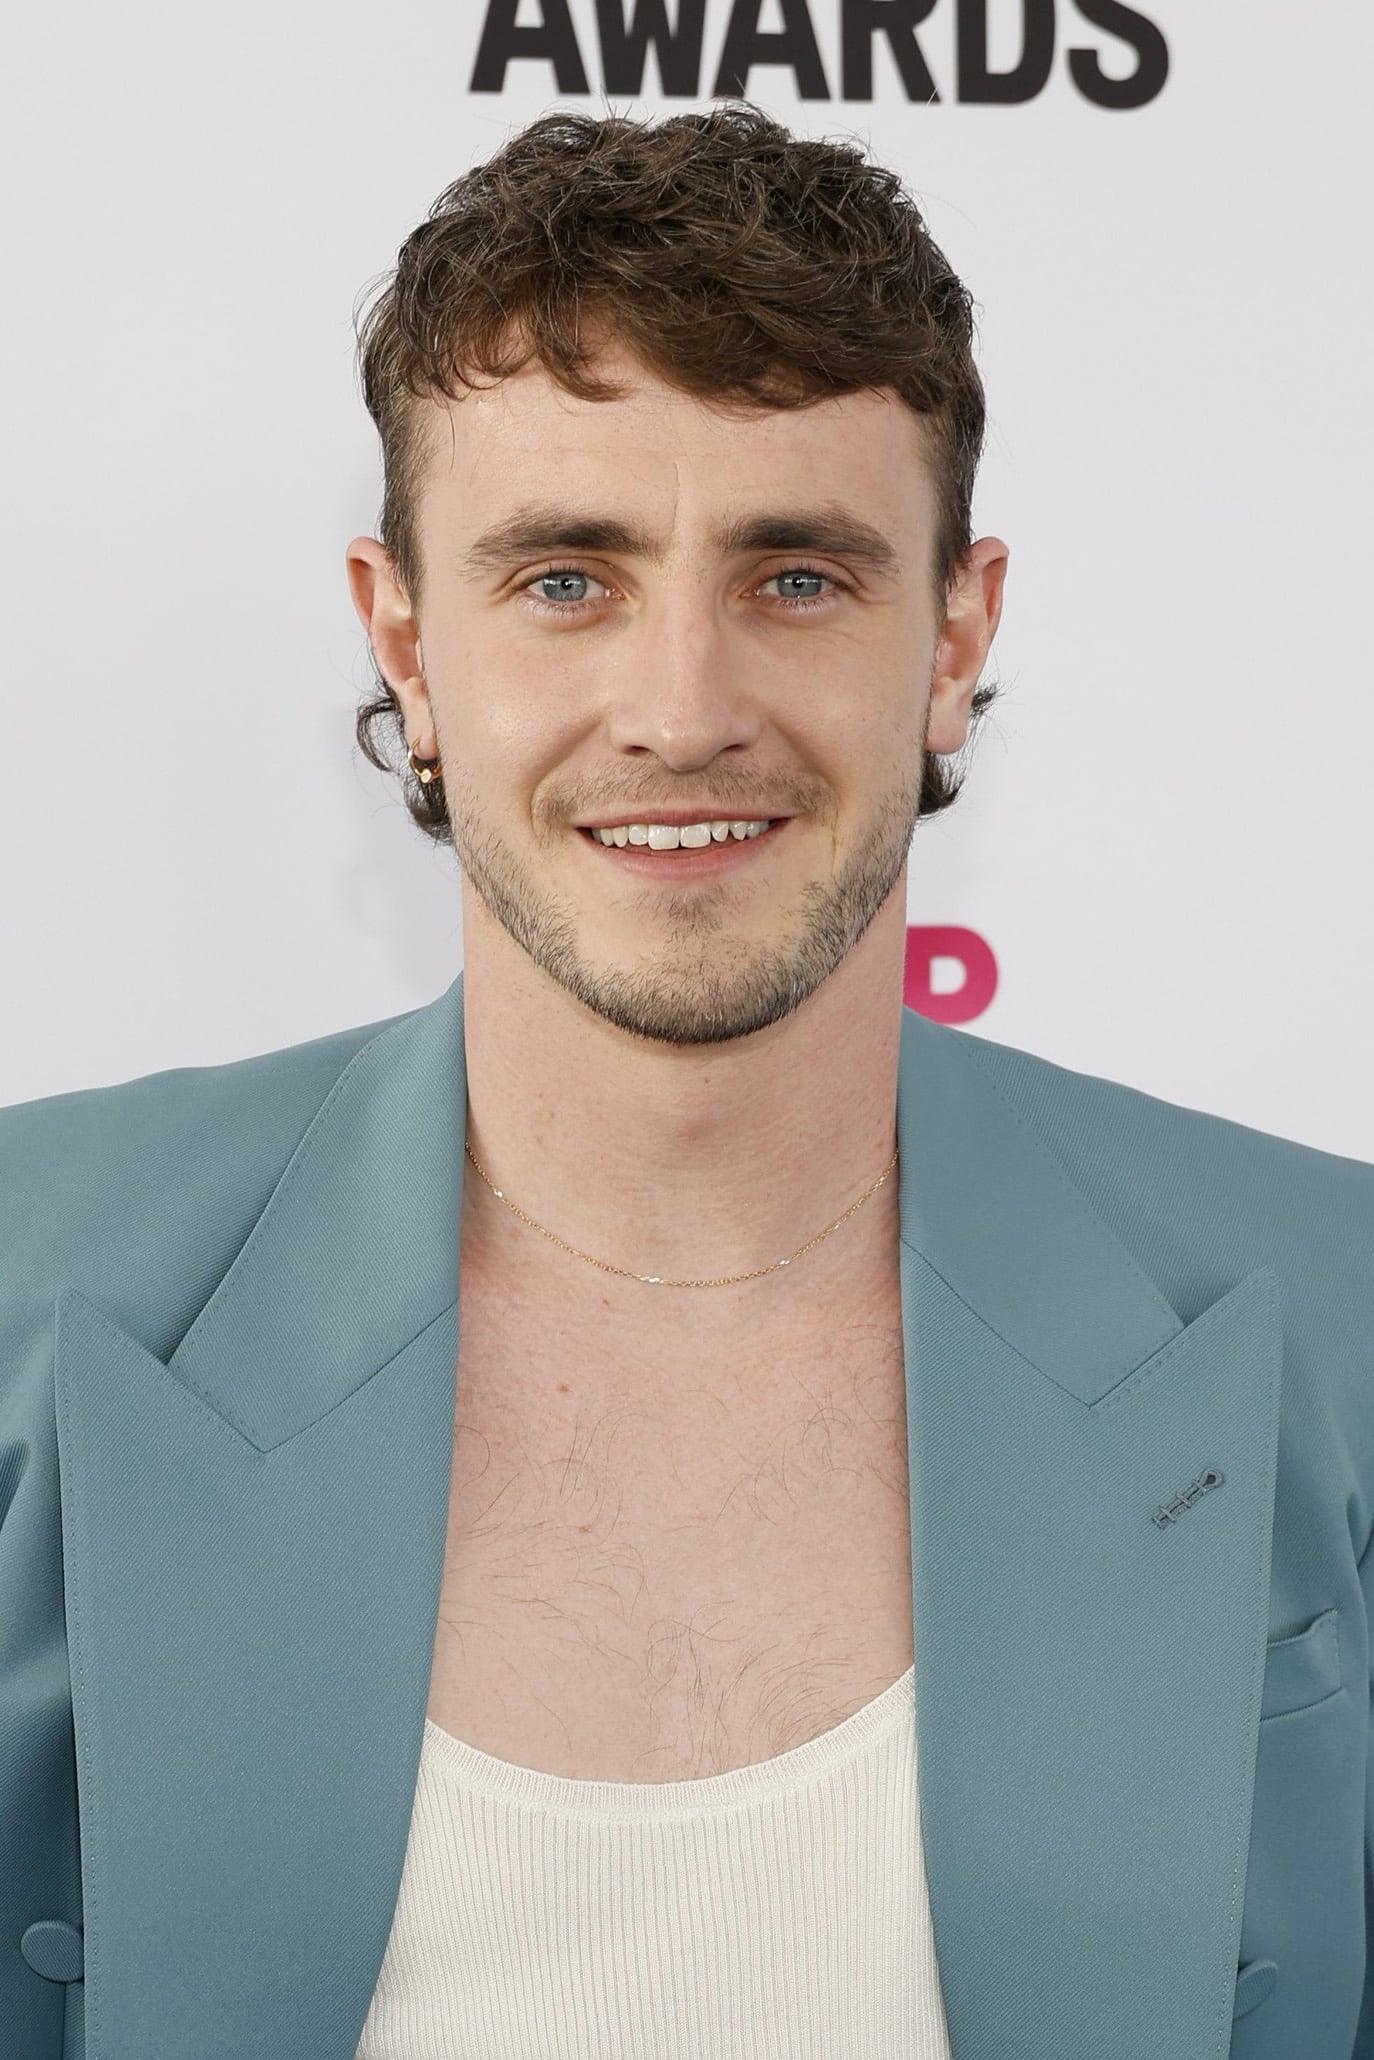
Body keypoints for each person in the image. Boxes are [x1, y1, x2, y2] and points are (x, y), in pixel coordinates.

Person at [2, 102, 1370, 2060]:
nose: (681, 710)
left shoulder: (1334, 1315)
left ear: (954, 636)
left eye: (794, 576)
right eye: (567, 578)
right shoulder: (30, 1287)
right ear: (405, 642)